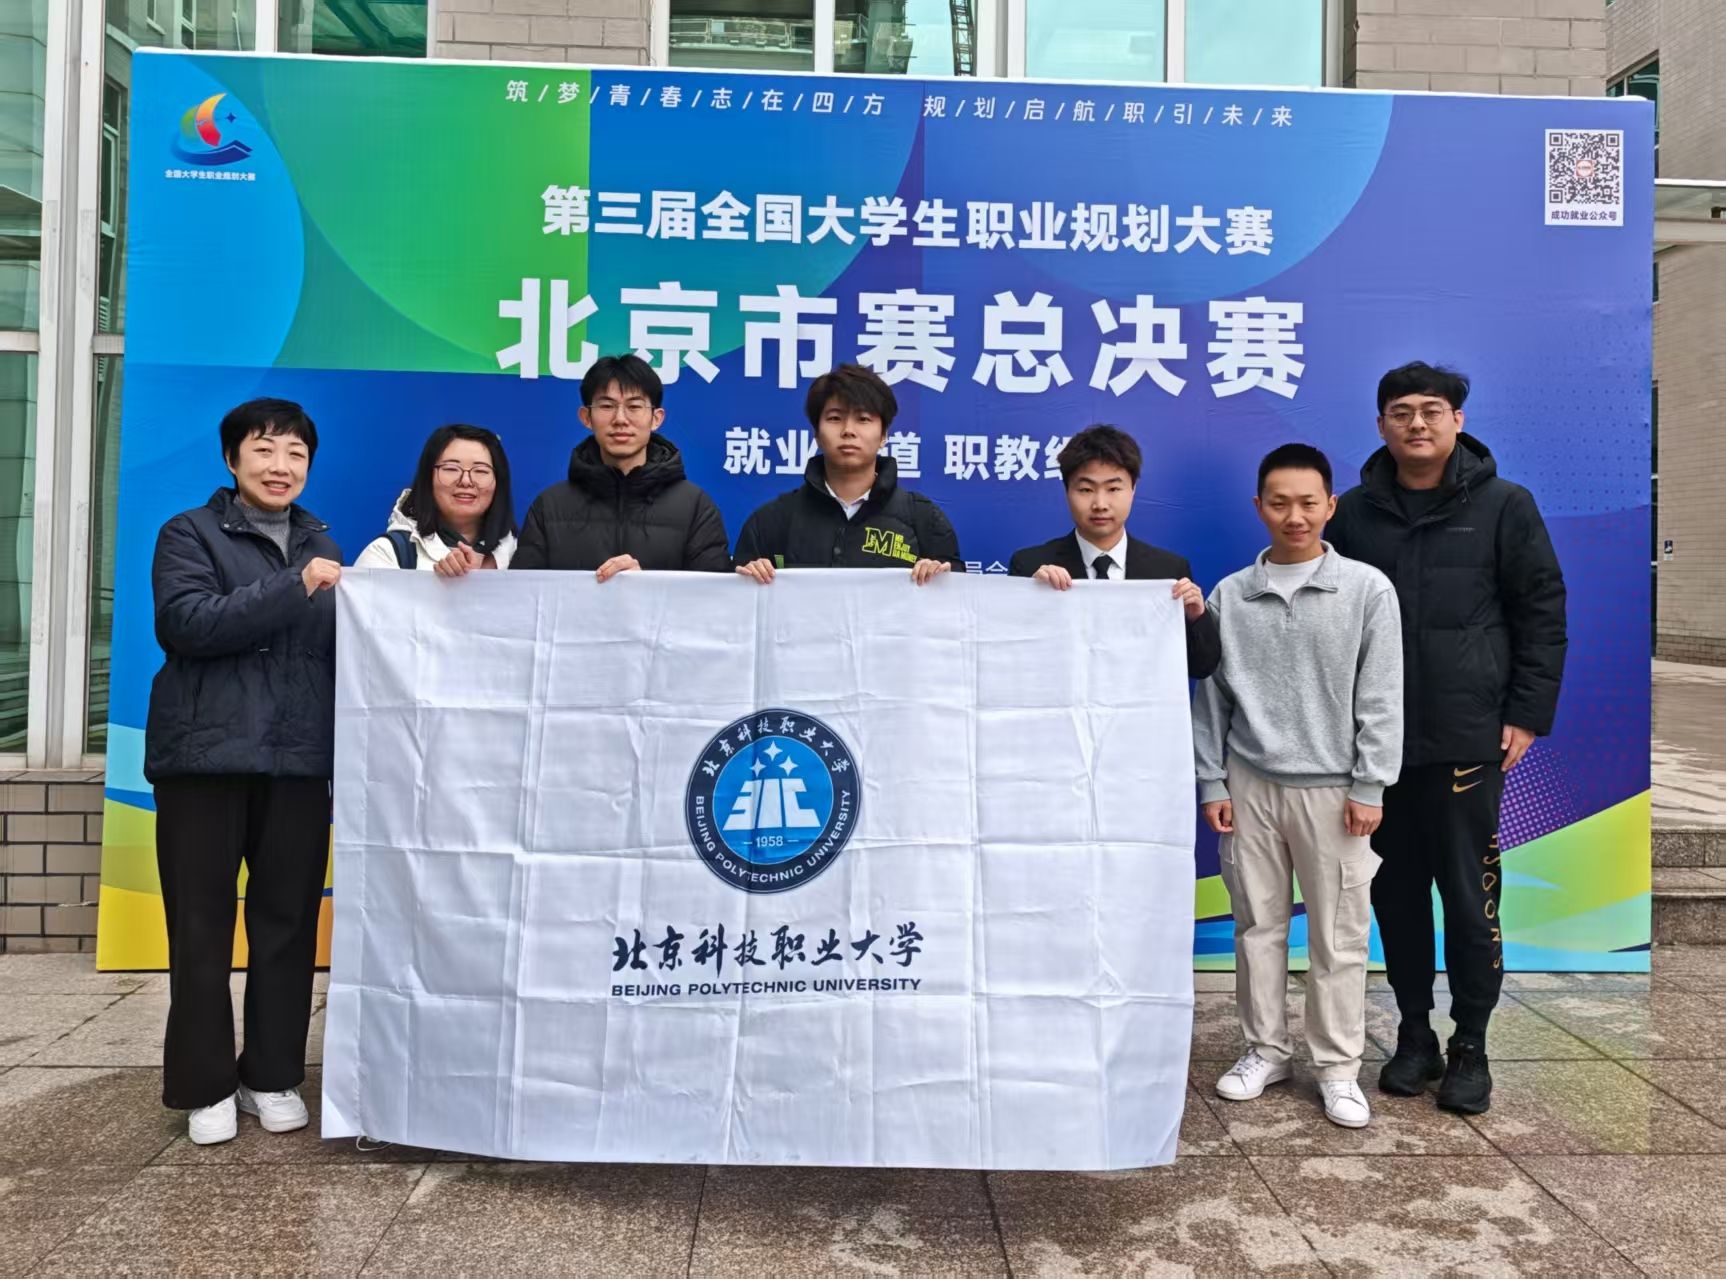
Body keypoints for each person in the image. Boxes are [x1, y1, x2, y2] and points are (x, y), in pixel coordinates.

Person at [1327, 362, 1566, 1116]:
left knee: (1469, 900)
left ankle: (1471, 1045)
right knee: (1394, 897)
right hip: (1379, 746)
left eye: (1432, 410)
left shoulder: (1504, 505)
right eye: (1401, 412)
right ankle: (1414, 1035)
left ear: (1457, 420)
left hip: (1468, 741)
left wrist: (1526, 711)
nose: (1417, 424)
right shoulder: (1353, 514)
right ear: (1381, 425)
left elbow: (1541, 611)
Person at [144, 397, 342, 1146]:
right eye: (264, 450)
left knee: (287, 926)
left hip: (296, 765)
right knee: (200, 928)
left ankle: (272, 1074)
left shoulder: (321, 541)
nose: (280, 466)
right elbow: (187, 623)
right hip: (205, 761)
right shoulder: (189, 533)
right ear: (232, 460)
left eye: (295, 453)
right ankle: (205, 1086)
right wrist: (295, 585)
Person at [1193, 444, 1403, 1130]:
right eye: (1279, 502)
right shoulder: (1230, 595)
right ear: (1259, 507)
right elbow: (1211, 701)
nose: (1295, 516)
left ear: (1330, 505)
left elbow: (1382, 696)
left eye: (1308, 502)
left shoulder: (1366, 590)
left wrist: (1370, 784)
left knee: (1339, 937)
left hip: (1335, 791)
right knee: (1257, 927)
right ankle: (1265, 1050)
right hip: (1250, 785)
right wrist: (1212, 781)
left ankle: (1337, 1066)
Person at [1008, 425, 1221, 678]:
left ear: (1133, 489)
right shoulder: (1031, 566)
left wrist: (1196, 617)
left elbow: (1202, 667)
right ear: (1067, 491)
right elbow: (1012, 663)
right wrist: (1031, 601)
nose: (1100, 504)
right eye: (1086, 490)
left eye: (1113, 489)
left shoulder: (1167, 570)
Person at [492, 354, 729, 579]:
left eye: (634, 407)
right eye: (607, 406)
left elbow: (713, 599)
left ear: (656, 418)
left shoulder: (696, 507)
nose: (620, 419)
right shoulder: (549, 507)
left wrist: (647, 586)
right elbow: (527, 597)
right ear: (586, 417)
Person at [733, 363, 962, 584]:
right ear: (816, 434)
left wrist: (940, 579)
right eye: (835, 418)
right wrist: (749, 578)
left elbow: (956, 601)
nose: (848, 431)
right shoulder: (771, 522)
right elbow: (739, 603)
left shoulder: (925, 521)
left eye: (863, 419)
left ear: (884, 435)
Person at [354, 424, 518, 571]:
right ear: (427, 478)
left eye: (480, 471)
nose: (466, 481)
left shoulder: (519, 557)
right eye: (451, 469)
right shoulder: (385, 555)